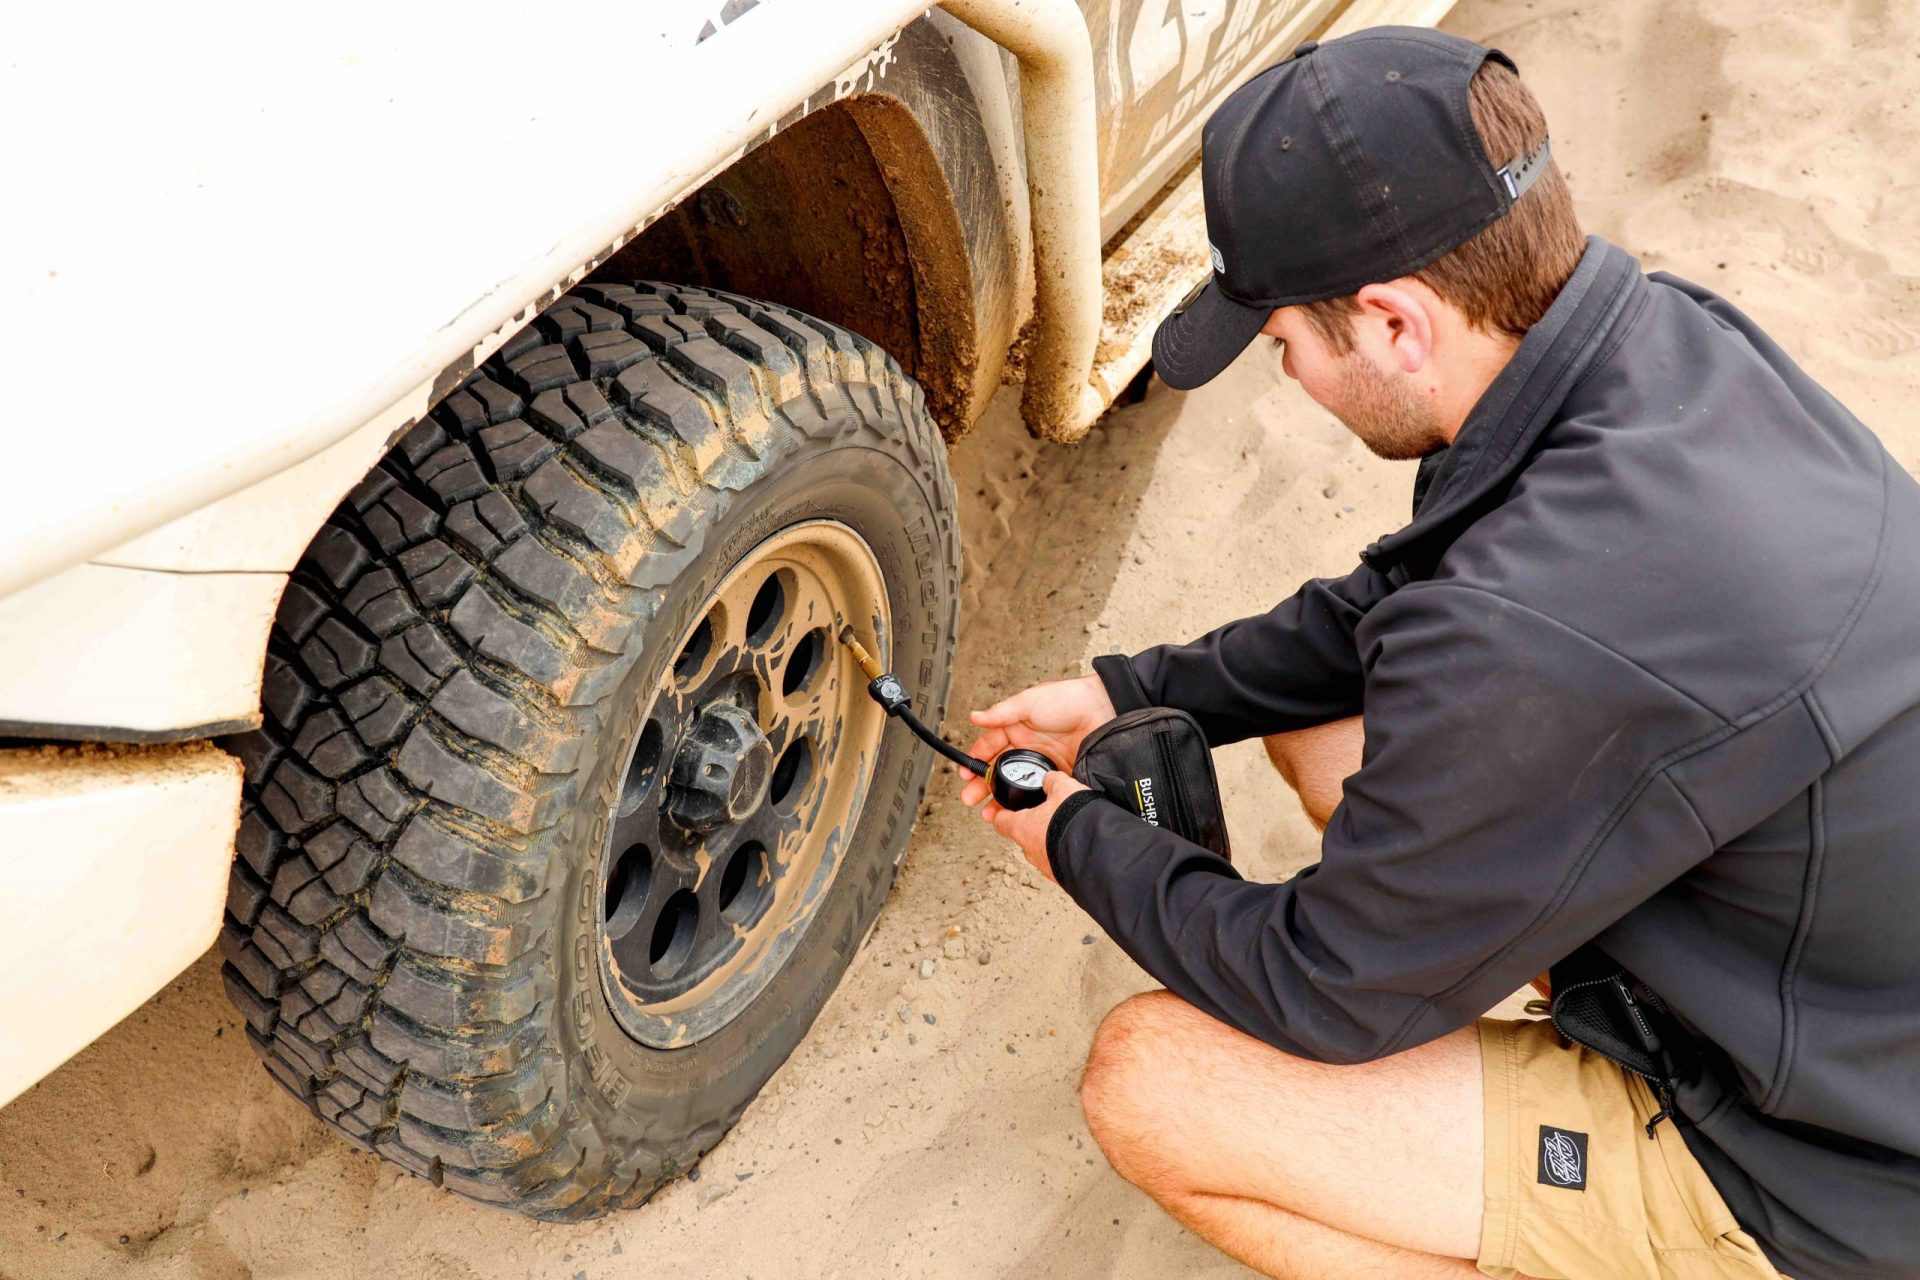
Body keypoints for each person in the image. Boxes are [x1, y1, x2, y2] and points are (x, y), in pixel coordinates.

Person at [959, 26, 1920, 1280]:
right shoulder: (1663, 343)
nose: (1281, 364)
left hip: (1831, 1174)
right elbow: (1401, 606)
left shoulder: (1527, 633)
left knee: (1154, 1080)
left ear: (1397, 322)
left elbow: (1322, 987)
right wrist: (1133, 690)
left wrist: (1069, 828)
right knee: (1324, 725)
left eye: (1282, 337)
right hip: (1839, 978)